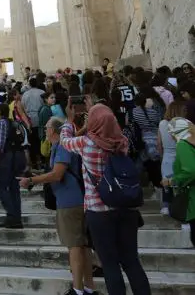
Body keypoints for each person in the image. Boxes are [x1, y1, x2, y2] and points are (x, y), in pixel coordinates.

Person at [60, 102, 151, 295]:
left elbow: (65, 141)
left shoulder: (86, 143)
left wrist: (69, 121)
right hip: (126, 207)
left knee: (109, 264)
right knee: (131, 261)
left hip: (99, 211)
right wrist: (97, 110)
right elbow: (105, 124)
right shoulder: (122, 141)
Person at [18, 117, 97, 295]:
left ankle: (78, 289)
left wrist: (32, 180)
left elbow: (58, 175)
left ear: (53, 130)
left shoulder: (62, 146)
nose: (45, 131)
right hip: (72, 200)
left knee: (75, 246)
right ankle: (88, 288)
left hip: (70, 202)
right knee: (82, 246)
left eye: (46, 127)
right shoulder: (59, 147)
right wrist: (36, 175)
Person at [0, 103, 26, 229]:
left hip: (8, 157)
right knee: (14, 188)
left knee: (1, 185)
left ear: (0, 112)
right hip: (18, 156)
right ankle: (17, 219)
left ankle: (11, 214)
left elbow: (0, 142)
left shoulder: (1, 123)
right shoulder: (14, 122)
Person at [165, 118, 195, 245]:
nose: (171, 137)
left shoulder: (183, 145)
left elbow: (190, 170)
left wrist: (172, 180)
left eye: (171, 133)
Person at [157, 101, 187, 214]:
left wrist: (161, 155)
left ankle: (166, 205)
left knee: (166, 181)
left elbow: (158, 143)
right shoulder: (183, 124)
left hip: (167, 156)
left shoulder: (162, 124)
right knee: (181, 183)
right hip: (180, 155)